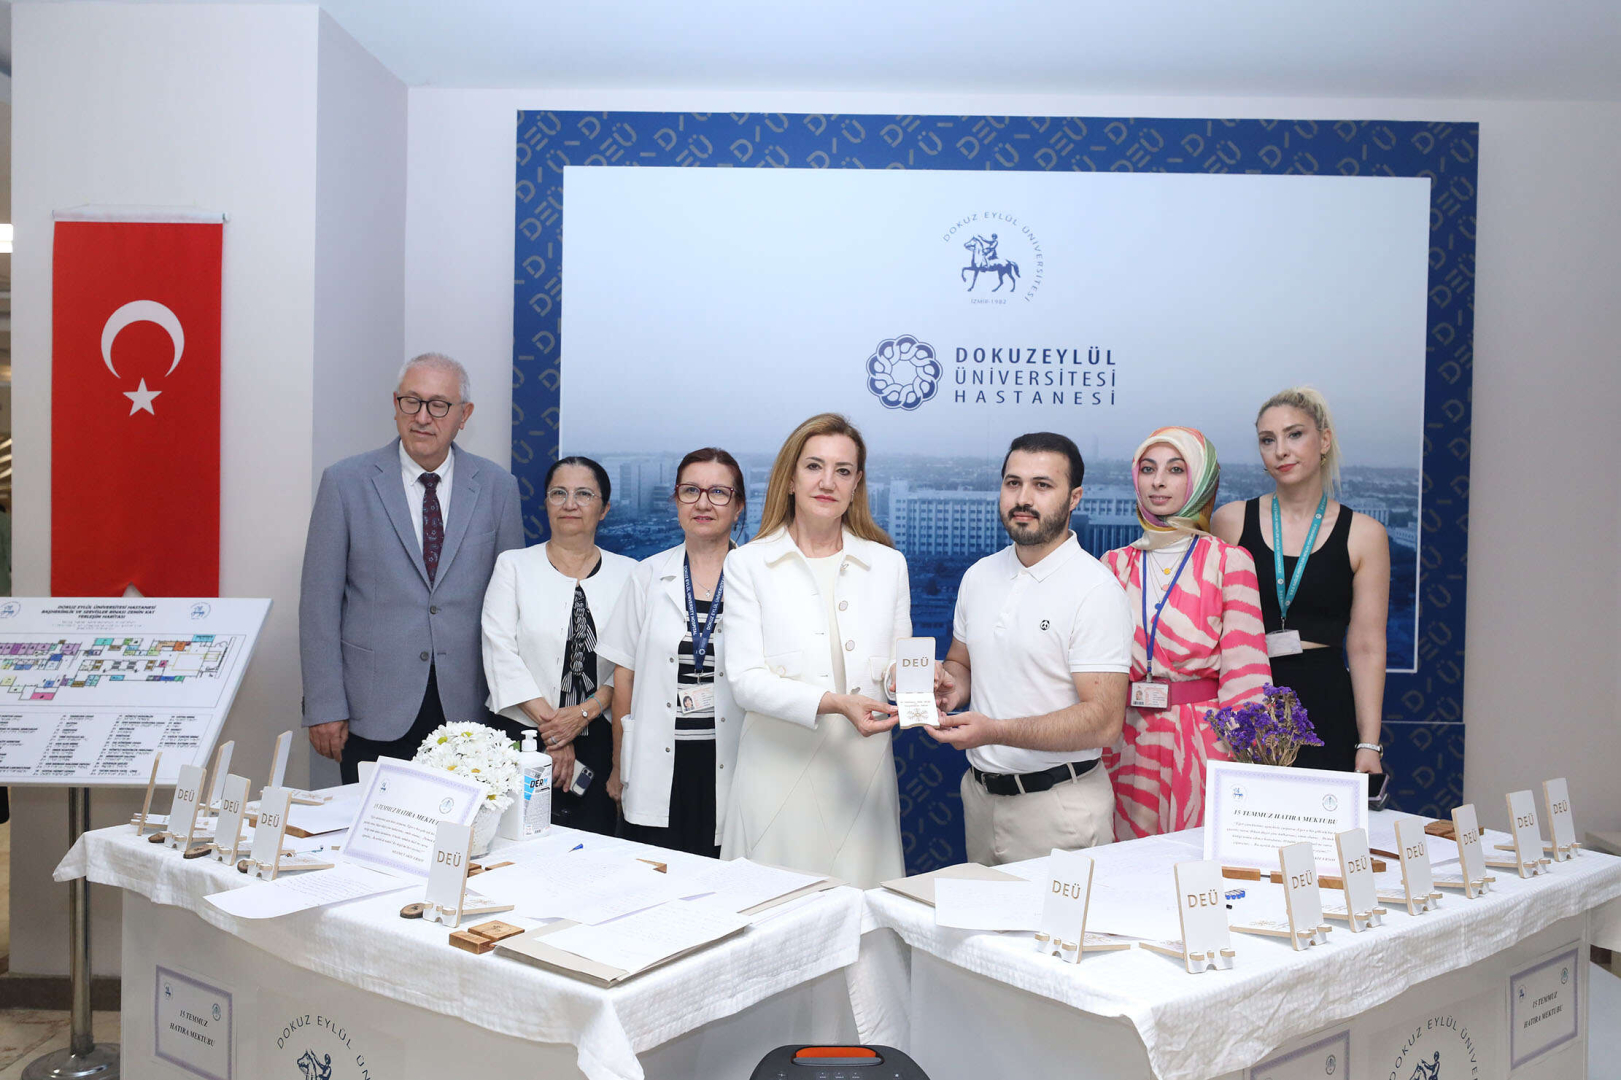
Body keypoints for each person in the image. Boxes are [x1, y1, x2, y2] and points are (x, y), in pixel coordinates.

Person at [300, 353, 524, 783]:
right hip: (372, 708)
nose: (422, 417)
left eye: (439, 405)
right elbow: (318, 605)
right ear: (395, 404)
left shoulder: (498, 488)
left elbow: (511, 607)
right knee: (373, 824)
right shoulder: (345, 483)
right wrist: (325, 705)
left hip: (470, 712)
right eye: (412, 401)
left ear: (464, 415)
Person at [721, 414, 910, 888]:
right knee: (772, 912)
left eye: (843, 471)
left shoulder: (888, 564)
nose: (828, 482)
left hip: (860, 779)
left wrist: (920, 679)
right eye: (814, 466)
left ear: (857, 484)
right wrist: (834, 703)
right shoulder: (747, 563)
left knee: (863, 917)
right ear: (789, 478)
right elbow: (745, 682)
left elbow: (896, 671)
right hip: (775, 779)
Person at [931, 433, 1133, 865]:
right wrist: (947, 686)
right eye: (1013, 483)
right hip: (980, 800)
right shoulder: (979, 576)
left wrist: (995, 731)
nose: (1023, 498)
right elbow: (961, 664)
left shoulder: (1095, 590)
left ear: (1074, 497)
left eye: (1042, 485)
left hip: (1061, 808)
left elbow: (1103, 722)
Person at [1100, 427, 1271, 839]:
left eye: (1175, 470)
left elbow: (1246, 675)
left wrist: (1245, 768)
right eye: (1148, 469)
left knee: (1195, 863)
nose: (1158, 481)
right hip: (1123, 740)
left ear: (1200, 481)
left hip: (1203, 744)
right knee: (1122, 862)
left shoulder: (1229, 561)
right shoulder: (1113, 564)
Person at [1212, 387, 1390, 774]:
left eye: (1294, 434)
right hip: (1245, 702)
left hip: (1326, 705)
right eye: (1267, 440)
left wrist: (1368, 744)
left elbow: (1366, 647)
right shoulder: (1229, 521)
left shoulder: (1365, 534)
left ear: (1324, 441)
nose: (1281, 450)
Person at [599, 448, 747, 857]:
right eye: (690, 490)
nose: (703, 503)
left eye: (718, 492)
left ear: (738, 506)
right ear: (676, 500)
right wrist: (620, 765)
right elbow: (624, 677)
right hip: (656, 761)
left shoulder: (757, 579)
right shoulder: (647, 575)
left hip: (732, 759)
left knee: (724, 880)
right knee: (654, 875)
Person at [481, 456, 635, 834]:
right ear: (546, 503)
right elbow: (500, 651)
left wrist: (582, 714)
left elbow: (631, 663)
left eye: (584, 494)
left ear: (604, 508)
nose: (570, 504)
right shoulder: (513, 566)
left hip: (600, 738)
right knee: (516, 842)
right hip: (521, 734)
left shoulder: (631, 573)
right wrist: (554, 729)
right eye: (558, 493)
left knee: (593, 847)